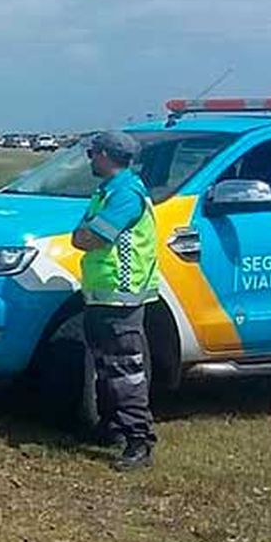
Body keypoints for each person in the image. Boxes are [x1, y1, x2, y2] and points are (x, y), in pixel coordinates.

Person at [70, 130, 160, 471]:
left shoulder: (126, 195)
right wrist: (83, 235)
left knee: (126, 372)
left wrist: (84, 235)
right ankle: (112, 429)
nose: (90, 158)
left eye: (93, 152)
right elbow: (80, 234)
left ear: (107, 155)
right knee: (107, 369)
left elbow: (90, 237)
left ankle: (139, 441)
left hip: (121, 298)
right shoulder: (106, 192)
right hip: (101, 296)